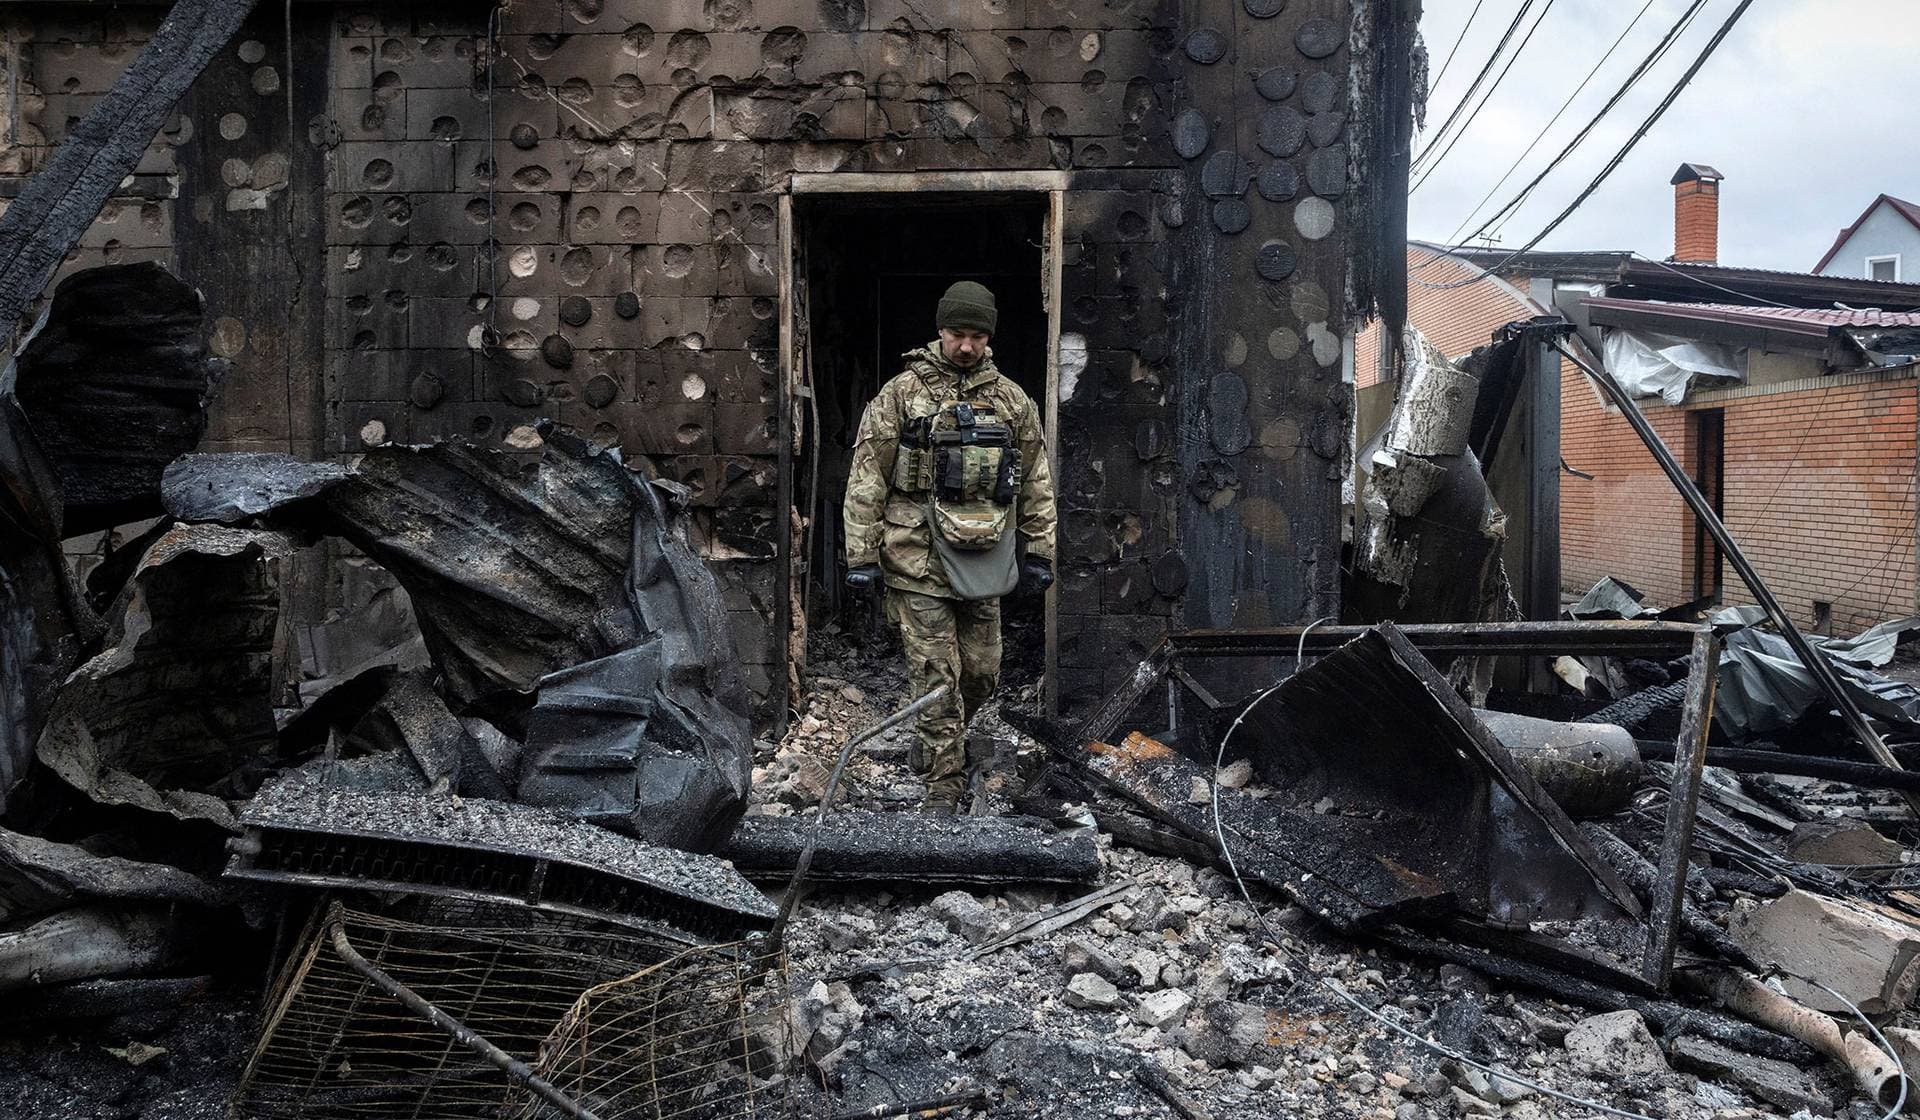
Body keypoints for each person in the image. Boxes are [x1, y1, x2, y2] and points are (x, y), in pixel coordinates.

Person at [842, 281, 1058, 814]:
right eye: (958, 334)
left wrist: (1039, 551)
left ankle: (936, 740)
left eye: (977, 336)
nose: (967, 346)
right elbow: (867, 476)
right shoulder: (900, 395)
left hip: (982, 555)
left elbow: (1035, 478)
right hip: (914, 554)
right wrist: (862, 557)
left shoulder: (1011, 401)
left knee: (982, 671)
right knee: (936, 672)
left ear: (989, 338)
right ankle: (944, 786)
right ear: (941, 331)